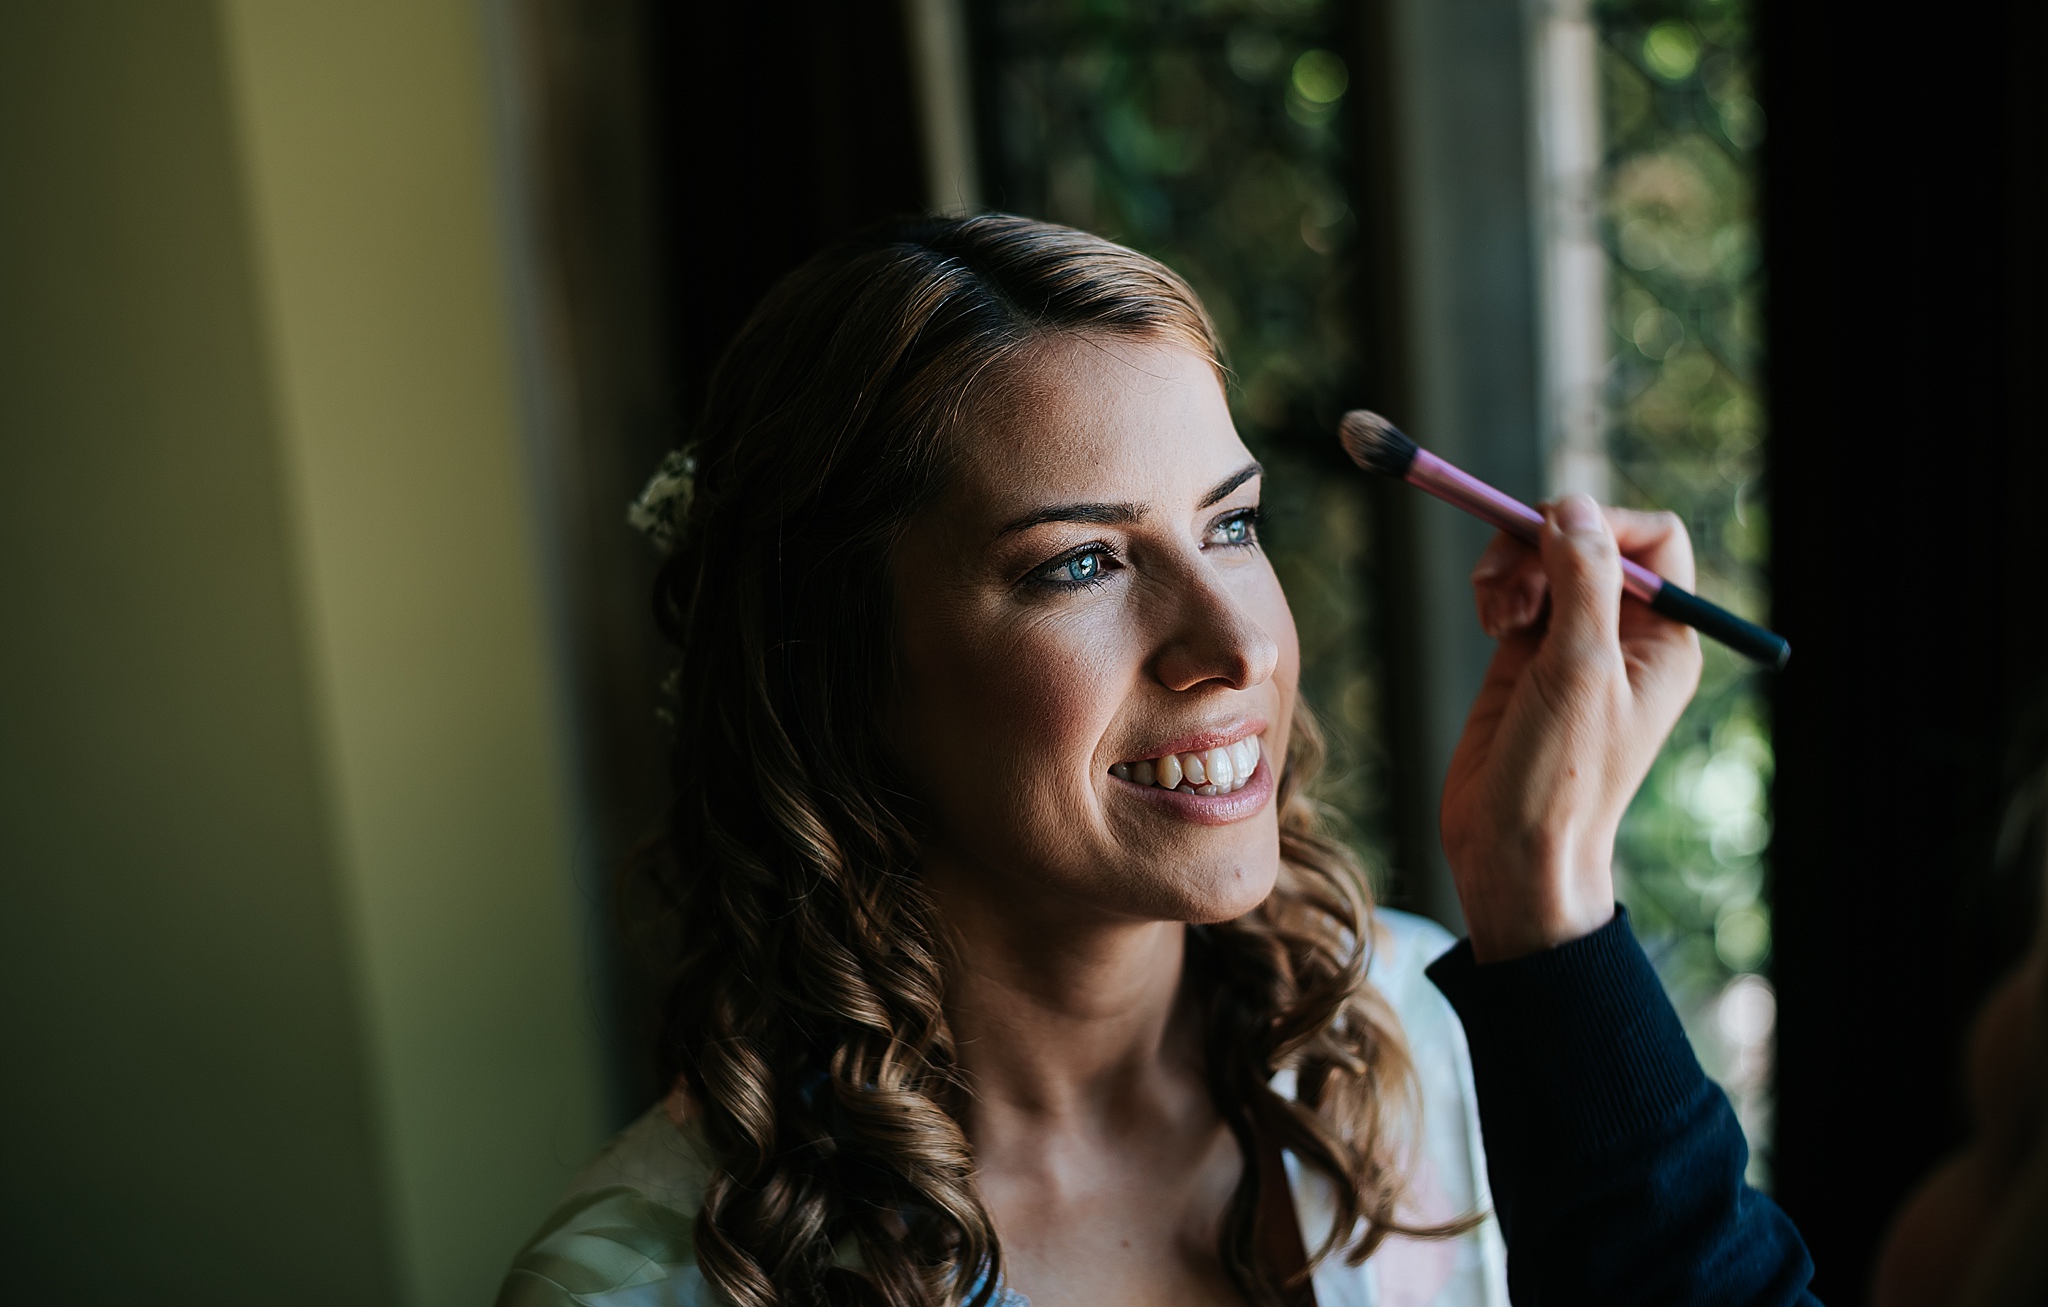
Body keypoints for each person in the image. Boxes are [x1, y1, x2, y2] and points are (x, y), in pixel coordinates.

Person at [494, 214, 1811, 1307]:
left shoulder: (1443, 1034)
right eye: (1081, 562)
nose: (1238, 642)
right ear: (833, 671)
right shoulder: (644, 1284)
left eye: (1232, 526)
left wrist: (1547, 895)